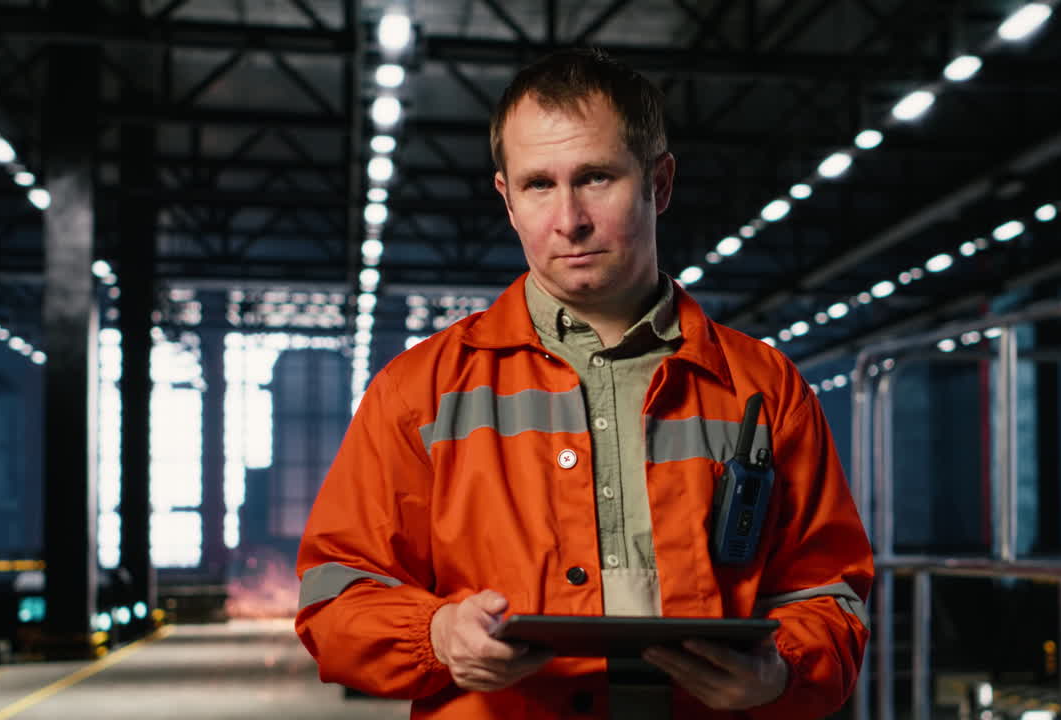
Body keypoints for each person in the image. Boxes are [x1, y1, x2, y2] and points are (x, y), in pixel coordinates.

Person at [295, 48, 873, 720]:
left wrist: (781, 671)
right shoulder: (420, 392)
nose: (568, 219)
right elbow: (336, 595)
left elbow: (828, 593)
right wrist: (435, 636)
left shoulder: (765, 389)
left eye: (595, 178)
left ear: (658, 184)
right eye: (539, 185)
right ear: (507, 200)